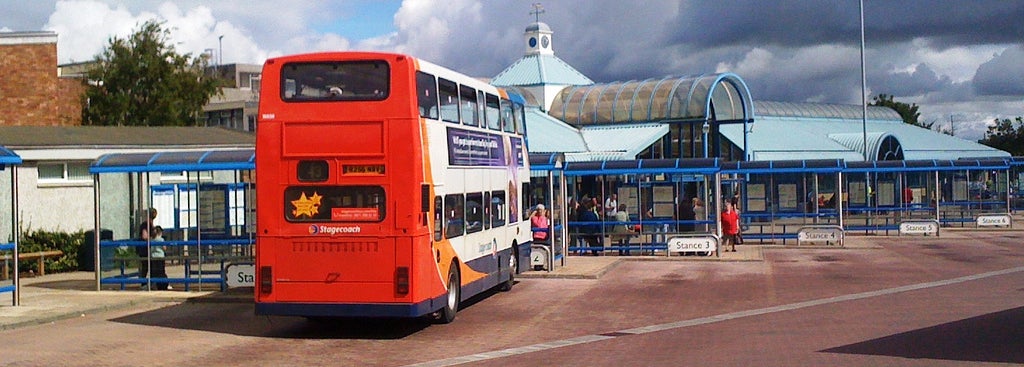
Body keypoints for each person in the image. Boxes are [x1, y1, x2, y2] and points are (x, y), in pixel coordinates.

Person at [149, 226, 169, 290]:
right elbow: (164, 248)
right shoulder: (161, 240)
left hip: (153, 257)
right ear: (160, 232)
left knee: (155, 272)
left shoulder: (152, 240)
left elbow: (150, 249)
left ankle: (154, 284)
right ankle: (163, 284)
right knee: (161, 271)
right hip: (160, 257)